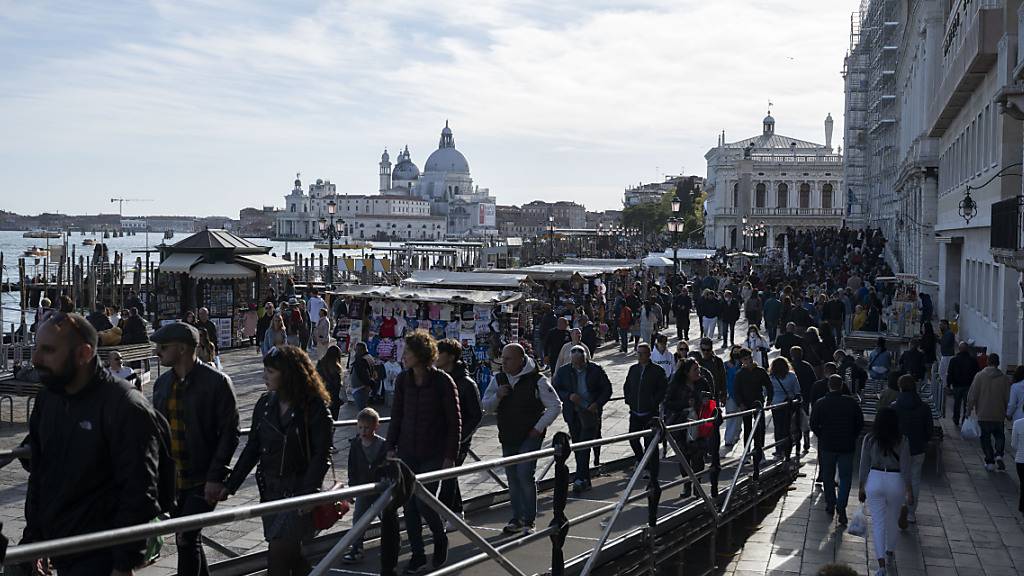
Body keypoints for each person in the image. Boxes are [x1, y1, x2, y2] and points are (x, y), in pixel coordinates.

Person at [25, 312, 166, 575]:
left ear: (84, 354)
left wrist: (124, 562)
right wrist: (35, 538)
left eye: (47, 350)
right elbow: (41, 473)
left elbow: (139, 491)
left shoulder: (124, 406)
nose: (35, 359)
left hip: (102, 553)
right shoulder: (48, 400)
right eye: (36, 348)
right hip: (62, 545)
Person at [222, 345, 332, 575]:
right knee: (292, 555)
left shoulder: (312, 406)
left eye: (271, 372)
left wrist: (309, 492)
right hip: (270, 489)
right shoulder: (264, 404)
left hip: (298, 489)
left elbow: (322, 453)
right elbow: (252, 448)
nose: (265, 376)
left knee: (279, 552)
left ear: (288, 373)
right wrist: (231, 484)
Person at [151, 321, 241, 576]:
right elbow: (155, 432)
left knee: (186, 537)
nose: (158, 352)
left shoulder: (217, 382)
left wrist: (215, 476)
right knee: (188, 539)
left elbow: (229, 433)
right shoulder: (162, 384)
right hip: (172, 480)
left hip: (202, 478)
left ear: (181, 348)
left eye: (163, 347)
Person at [385, 331, 461, 573]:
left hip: (434, 451)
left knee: (424, 503)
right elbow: (396, 416)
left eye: (407, 351)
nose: (403, 356)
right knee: (408, 506)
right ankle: (417, 554)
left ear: (420, 354)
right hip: (407, 450)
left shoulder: (442, 382)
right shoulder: (403, 380)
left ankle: (440, 538)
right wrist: (390, 447)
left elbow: (454, 421)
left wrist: (450, 455)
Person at [482, 343, 561, 535]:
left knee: (525, 474)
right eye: (503, 358)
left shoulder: (537, 380)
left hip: (529, 435)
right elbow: (486, 406)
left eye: (508, 359)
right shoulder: (498, 379)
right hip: (508, 435)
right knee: (512, 477)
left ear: (520, 359)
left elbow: (555, 405)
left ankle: (529, 519)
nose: (504, 362)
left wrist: (538, 428)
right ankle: (516, 518)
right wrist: (498, 397)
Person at [858, 407, 913, 576]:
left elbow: (863, 464)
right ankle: (890, 552)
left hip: (874, 479)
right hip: (895, 480)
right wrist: (909, 489)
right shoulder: (902, 440)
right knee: (892, 519)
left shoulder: (869, 439)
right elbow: (906, 466)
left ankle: (881, 565)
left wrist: (861, 486)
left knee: (878, 523)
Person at [553, 345, 613, 494]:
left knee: (584, 447)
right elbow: (555, 389)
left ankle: (579, 479)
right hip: (573, 413)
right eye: (575, 363)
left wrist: (597, 404)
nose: (578, 366)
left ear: (585, 359)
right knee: (578, 446)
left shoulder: (595, 370)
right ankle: (585, 479)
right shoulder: (564, 371)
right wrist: (568, 396)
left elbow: (607, 389)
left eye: (580, 363)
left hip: (590, 413)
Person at [436, 338, 483, 522]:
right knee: (449, 476)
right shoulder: (439, 379)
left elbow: (476, 415)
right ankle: (456, 513)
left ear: (450, 356)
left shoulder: (466, 383)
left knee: (448, 477)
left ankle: (444, 516)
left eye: (439, 353)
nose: (436, 357)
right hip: (440, 437)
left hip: (458, 440)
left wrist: (461, 438)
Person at [810, 374, 864, 525]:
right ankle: (841, 506)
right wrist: (852, 435)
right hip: (846, 445)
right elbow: (859, 423)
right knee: (846, 477)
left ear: (829, 386)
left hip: (827, 444)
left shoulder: (821, 403)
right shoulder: (851, 403)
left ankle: (830, 503)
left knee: (828, 475)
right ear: (841, 385)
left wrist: (822, 435)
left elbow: (813, 423)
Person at [343, 408, 388, 564]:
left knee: (388, 517)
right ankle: (357, 547)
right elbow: (352, 468)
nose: (363, 431)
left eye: (367, 427)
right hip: (363, 487)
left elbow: (387, 466)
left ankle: (390, 544)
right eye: (360, 427)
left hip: (381, 488)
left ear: (376, 427)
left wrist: (385, 481)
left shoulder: (383, 445)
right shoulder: (356, 445)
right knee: (359, 519)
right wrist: (352, 488)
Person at [893, 374, 931, 526]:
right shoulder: (924, 407)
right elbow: (928, 430)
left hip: (898, 448)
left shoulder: (894, 406)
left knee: (897, 478)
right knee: (914, 479)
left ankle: (897, 507)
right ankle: (910, 512)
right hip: (917, 447)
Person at [623, 342, 668, 471]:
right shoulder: (633, 369)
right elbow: (627, 386)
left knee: (650, 442)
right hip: (635, 411)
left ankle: (651, 468)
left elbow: (663, 389)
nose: (639, 355)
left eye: (642, 353)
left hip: (650, 413)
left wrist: (653, 402)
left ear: (648, 355)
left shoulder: (657, 370)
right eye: (638, 353)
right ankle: (642, 460)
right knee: (633, 439)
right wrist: (629, 400)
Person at [967, 353, 1011, 471]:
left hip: (983, 413)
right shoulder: (1005, 379)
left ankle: (990, 461)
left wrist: (968, 410)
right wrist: (1008, 412)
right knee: (999, 435)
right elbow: (1008, 397)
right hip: (999, 413)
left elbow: (972, 395)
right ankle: (999, 454)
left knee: (985, 438)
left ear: (987, 362)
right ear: (998, 363)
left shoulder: (979, 376)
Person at [733, 348, 771, 454]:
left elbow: (769, 385)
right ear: (742, 360)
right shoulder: (740, 374)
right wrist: (740, 404)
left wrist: (769, 399)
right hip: (746, 404)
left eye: (750, 358)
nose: (748, 361)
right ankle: (747, 452)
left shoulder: (760, 371)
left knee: (760, 426)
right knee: (748, 428)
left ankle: (759, 450)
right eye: (745, 359)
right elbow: (736, 391)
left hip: (758, 402)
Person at [768, 357, 801, 459]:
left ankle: (778, 449)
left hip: (776, 404)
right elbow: (797, 390)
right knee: (787, 427)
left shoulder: (771, 377)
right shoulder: (791, 376)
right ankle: (788, 450)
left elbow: (767, 391)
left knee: (778, 428)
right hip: (788, 404)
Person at [947, 341, 980, 427]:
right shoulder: (973, 360)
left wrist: (948, 384)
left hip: (957, 385)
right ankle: (965, 419)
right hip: (968, 385)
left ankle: (956, 418)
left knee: (957, 403)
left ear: (959, 349)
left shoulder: (954, 360)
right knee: (966, 404)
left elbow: (950, 373)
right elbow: (977, 373)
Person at [790, 346, 816, 452]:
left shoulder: (790, 367)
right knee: (804, 419)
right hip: (805, 396)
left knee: (793, 420)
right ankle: (806, 442)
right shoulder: (807, 366)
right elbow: (814, 380)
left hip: (793, 397)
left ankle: (795, 440)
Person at [316, 344, 345, 419]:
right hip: (333, 400)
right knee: (332, 422)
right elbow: (337, 388)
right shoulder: (336, 369)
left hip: (321, 398)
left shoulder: (320, 364)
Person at [722, 346, 743, 446]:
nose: (736, 354)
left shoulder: (743, 366)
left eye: (738, 352)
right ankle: (728, 439)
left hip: (741, 396)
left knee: (739, 419)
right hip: (730, 395)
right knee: (730, 418)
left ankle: (736, 435)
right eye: (734, 352)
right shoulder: (726, 365)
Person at [696, 337, 727, 402]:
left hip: (715, 397)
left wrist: (723, 394)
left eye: (708, 350)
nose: (705, 352)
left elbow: (723, 378)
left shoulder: (718, 361)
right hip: (699, 398)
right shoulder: (696, 361)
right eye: (703, 349)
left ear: (711, 349)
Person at [348, 341, 376, 411]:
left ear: (360, 350)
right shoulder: (369, 357)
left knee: (362, 412)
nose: (355, 352)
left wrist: (369, 384)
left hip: (361, 389)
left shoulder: (362, 360)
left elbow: (364, 375)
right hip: (363, 388)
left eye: (356, 350)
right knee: (363, 410)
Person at [937, 319, 956, 396]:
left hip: (948, 356)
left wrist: (939, 340)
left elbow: (945, 343)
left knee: (944, 372)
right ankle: (945, 386)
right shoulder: (946, 333)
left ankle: (947, 387)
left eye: (941, 325)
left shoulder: (949, 333)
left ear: (946, 325)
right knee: (942, 371)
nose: (940, 326)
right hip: (945, 355)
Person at [1012, 412, 1024, 517]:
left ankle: (1022, 505)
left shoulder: (1017, 423)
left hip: (1020, 459)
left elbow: (1013, 444)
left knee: (1022, 483)